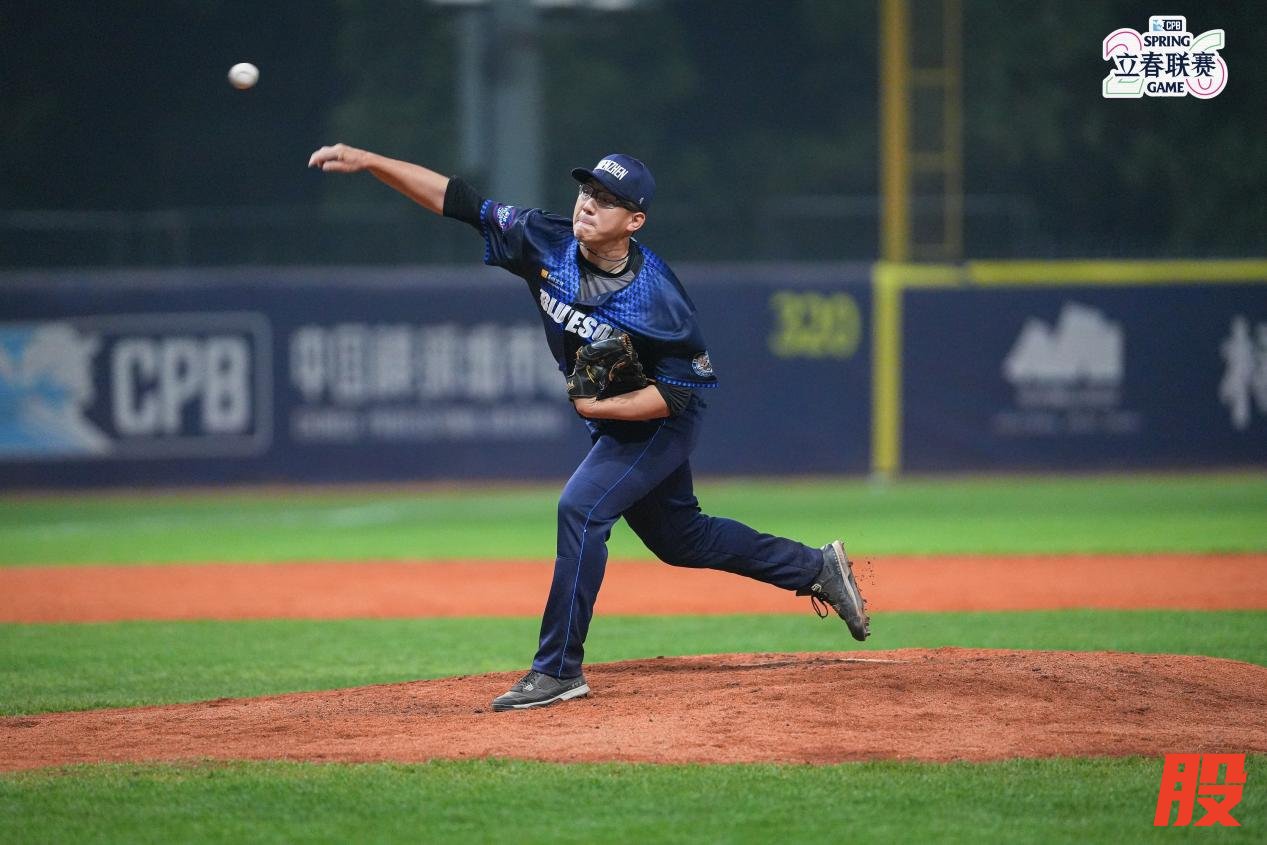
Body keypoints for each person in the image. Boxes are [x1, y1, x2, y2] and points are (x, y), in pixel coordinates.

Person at [307, 143, 870, 711]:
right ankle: (816, 567)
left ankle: (558, 670)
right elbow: (459, 201)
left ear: (634, 221)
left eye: (606, 199)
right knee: (683, 539)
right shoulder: (543, 239)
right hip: (617, 416)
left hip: (659, 420)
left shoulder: (660, 299)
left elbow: (676, 395)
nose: (588, 204)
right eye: (586, 191)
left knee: (581, 509)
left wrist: (599, 411)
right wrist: (372, 162)